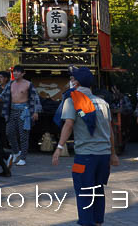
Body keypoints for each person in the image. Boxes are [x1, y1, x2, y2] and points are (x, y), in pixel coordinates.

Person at [52, 66, 119, 226]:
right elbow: (110, 130)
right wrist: (113, 153)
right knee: (98, 190)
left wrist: (59, 148)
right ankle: (97, 222)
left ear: (76, 82)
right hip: (103, 156)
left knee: (84, 192)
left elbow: (68, 124)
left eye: (72, 79)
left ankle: (86, 222)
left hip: (85, 156)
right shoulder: (103, 103)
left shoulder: (72, 101)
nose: (71, 82)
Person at [0, 65, 41, 165]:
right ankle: (16, 152)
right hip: (12, 110)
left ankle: (23, 157)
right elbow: (3, 94)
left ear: (23, 73)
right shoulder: (10, 83)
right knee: (9, 132)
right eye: (14, 71)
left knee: (23, 135)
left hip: (24, 111)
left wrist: (36, 111)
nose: (16, 73)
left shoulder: (28, 84)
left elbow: (35, 98)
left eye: (18, 72)